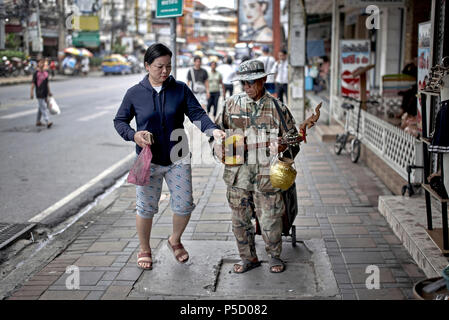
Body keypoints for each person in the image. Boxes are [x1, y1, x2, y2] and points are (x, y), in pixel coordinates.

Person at [113, 43, 225, 270]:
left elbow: (197, 114)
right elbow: (120, 121)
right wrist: (134, 135)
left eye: (168, 66)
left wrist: (212, 130)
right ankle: (144, 248)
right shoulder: (134, 93)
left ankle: (175, 239)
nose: (165, 71)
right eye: (159, 67)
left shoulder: (180, 89)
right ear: (147, 66)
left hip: (178, 156)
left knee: (184, 205)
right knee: (145, 207)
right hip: (148, 159)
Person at [211, 59, 299, 273]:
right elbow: (215, 133)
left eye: (251, 82)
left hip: (266, 177)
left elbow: (294, 140)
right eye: (244, 83)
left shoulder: (278, 108)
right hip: (237, 176)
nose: (247, 87)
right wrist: (218, 147)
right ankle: (248, 258)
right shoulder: (231, 104)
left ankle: (275, 256)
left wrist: (283, 149)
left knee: (270, 220)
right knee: (240, 222)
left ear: (263, 80)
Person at [30, 58, 53, 128]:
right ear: (38, 64)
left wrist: (49, 92)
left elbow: (47, 83)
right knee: (43, 107)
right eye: (41, 63)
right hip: (39, 93)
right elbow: (33, 84)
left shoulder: (46, 73)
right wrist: (31, 93)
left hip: (45, 92)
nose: (42, 64)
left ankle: (38, 121)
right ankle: (47, 121)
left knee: (41, 107)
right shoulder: (36, 73)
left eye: (44, 63)